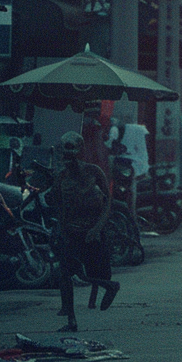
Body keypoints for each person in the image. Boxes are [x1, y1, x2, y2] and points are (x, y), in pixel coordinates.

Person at [48, 132, 118, 332]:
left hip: (92, 232)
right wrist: (61, 231)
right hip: (71, 232)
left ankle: (109, 285)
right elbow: (59, 208)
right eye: (64, 149)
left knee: (90, 272)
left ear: (80, 150)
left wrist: (97, 228)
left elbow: (108, 202)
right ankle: (71, 320)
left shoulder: (94, 172)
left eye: (71, 147)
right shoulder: (61, 177)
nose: (67, 153)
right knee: (66, 274)